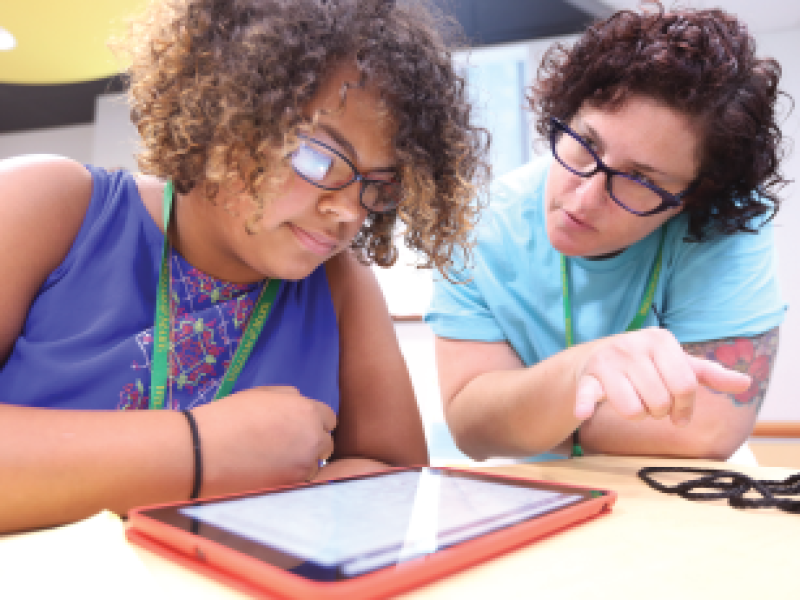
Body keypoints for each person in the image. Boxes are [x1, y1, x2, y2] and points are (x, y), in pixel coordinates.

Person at [0, 0, 489, 532]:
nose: (349, 211)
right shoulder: (50, 205)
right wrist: (201, 450)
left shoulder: (341, 283)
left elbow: (398, 478)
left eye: (379, 186)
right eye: (318, 158)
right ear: (221, 111)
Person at [426, 3, 786, 461]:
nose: (582, 199)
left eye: (640, 181)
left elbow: (708, 432)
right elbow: (472, 427)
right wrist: (579, 372)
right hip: (546, 493)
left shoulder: (725, 225)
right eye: (584, 144)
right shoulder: (474, 225)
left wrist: (528, 415)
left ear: (692, 199)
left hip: (682, 493)